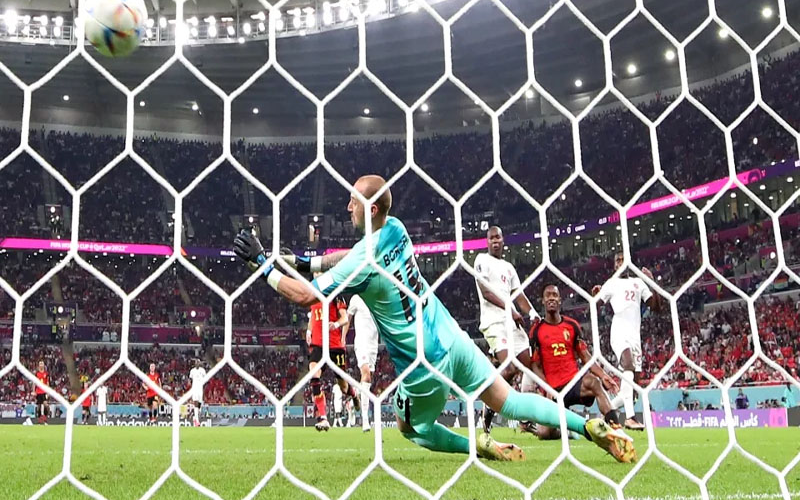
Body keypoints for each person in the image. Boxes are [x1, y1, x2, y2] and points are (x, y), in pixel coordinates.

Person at [233, 175, 635, 463]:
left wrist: (262, 263)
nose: (347, 206)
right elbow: (346, 256)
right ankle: (590, 428)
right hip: (452, 337)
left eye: (353, 200)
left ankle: (473, 446)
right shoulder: (395, 229)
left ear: (370, 207)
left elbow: (307, 296)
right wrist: (306, 260)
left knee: (409, 429)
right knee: (510, 401)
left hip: (423, 366)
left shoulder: (364, 261)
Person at [528, 285, 622, 440]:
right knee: (545, 434)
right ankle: (569, 430)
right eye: (548, 295)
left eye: (555, 295)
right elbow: (534, 365)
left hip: (573, 383)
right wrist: (547, 388)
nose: (551, 298)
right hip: (554, 389)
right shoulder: (536, 331)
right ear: (543, 301)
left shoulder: (572, 326)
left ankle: (616, 430)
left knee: (595, 382)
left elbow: (585, 356)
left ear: (560, 301)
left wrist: (603, 375)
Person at [473, 225, 538, 433]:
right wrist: (510, 310)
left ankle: (525, 419)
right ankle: (489, 406)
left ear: (503, 240)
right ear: (487, 242)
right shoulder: (481, 260)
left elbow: (519, 295)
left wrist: (533, 313)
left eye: (498, 238)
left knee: (529, 363)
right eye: (491, 238)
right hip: (494, 323)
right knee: (509, 368)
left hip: (512, 324)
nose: (495, 241)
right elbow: (485, 292)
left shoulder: (509, 268)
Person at [592, 252, 661, 431]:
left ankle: (607, 411)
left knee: (633, 390)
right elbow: (594, 305)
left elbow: (656, 307)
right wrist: (595, 297)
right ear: (614, 265)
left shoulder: (638, 283)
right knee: (628, 365)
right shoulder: (611, 283)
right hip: (618, 332)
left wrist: (652, 282)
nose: (621, 263)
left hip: (635, 337)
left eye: (623, 259)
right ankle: (630, 418)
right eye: (618, 260)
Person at [307, 287, 359, 431]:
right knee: (314, 374)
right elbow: (313, 314)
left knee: (343, 387)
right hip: (318, 345)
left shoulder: (336, 295)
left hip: (335, 346)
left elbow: (345, 317)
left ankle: (353, 394)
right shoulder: (313, 295)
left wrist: (335, 324)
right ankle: (323, 417)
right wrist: (309, 330)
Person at [347, 293, 380, 431]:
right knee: (365, 374)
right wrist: (342, 338)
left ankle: (352, 402)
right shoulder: (356, 298)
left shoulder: (377, 298)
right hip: (361, 342)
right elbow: (347, 318)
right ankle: (365, 420)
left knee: (367, 380)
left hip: (374, 344)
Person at [189, 359, 207, 427]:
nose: (197, 363)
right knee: (196, 403)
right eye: (196, 362)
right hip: (195, 389)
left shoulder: (202, 370)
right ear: (195, 363)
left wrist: (204, 388)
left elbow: (205, 379)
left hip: (200, 389)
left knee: (199, 404)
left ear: (199, 363)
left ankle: (195, 417)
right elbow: (190, 380)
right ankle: (197, 420)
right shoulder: (192, 371)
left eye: (198, 362)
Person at [34, 360, 49, 424]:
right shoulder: (36, 373)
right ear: (39, 365)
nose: (41, 365)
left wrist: (48, 391)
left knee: (45, 404)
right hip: (38, 392)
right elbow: (34, 383)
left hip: (44, 391)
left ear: (44, 365)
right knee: (39, 406)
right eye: (40, 364)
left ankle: (45, 417)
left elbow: (48, 382)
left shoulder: (46, 373)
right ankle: (40, 419)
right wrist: (34, 391)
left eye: (42, 363)